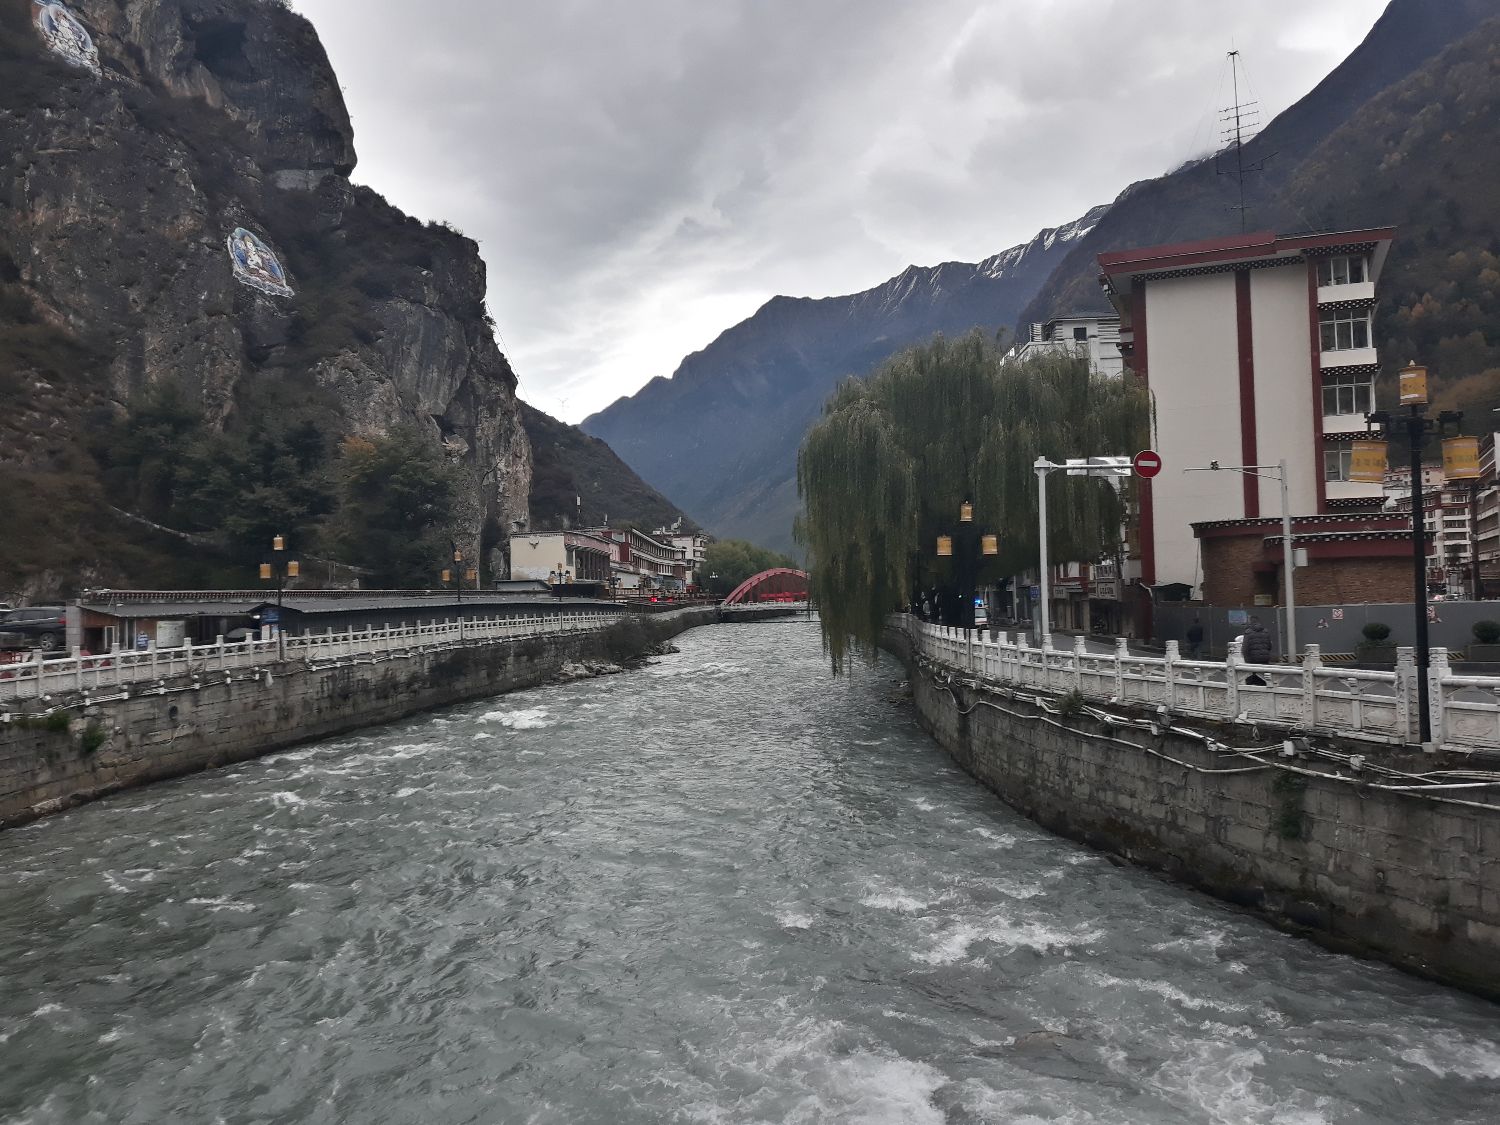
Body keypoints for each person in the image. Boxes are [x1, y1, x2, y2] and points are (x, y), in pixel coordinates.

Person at [1242, 616, 1273, 683]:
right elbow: (1269, 646)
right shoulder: (1266, 631)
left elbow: (1245, 649)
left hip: (1253, 659)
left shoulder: (1248, 633)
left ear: (1250, 623)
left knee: (1253, 677)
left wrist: (1247, 661)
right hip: (1265, 659)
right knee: (1264, 677)